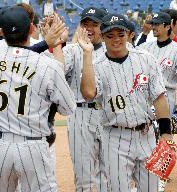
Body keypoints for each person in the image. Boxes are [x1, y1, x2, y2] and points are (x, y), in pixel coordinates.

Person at [0, 6, 76, 192]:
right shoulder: (48, 65)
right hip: (34, 145)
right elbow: (68, 109)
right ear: (31, 29)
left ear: (1, 31)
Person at [79, 13, 174, 192]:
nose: (116, 39)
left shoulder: (146, 59)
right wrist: (87, 54)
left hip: (146, 135)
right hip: (114, 137)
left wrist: (166, 133)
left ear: (129, 34)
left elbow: (159, 97)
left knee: (151, 189)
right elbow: (89, 93)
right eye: (110, 35)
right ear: (102, 36)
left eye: (120, 34)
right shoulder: (96, 65)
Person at [137, 12, 177, 192]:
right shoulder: (148, 47)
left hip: (166, 98)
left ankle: (161, 177)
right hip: (147, 97)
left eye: (157, 24)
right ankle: (145, 175)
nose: (154, 27)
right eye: (153, 24)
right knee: (145, 136)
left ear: (168, 26)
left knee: (164, 138)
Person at [62, 7, 109, 192]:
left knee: (110, 173)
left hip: (108, 113)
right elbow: (56, 71)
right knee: (83, 176)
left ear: (103, 26)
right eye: (85, 24)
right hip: (80, 114)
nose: (89, 28)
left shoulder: (113, 49)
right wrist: (62, 45)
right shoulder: (72, 51)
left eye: (94, 24)